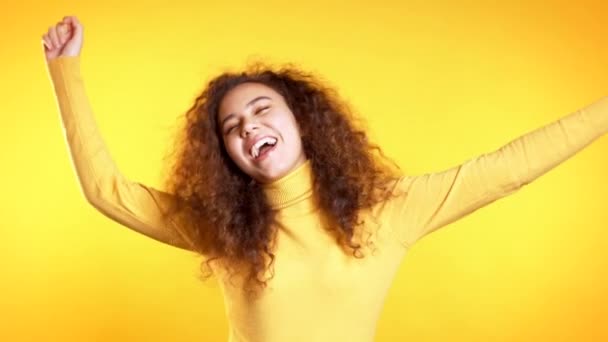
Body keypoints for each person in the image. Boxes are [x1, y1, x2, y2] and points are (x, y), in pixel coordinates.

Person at [43, 16, 608, 342]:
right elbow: (107, 192)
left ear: (300, 120)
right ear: (227, 155)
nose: (249, 127)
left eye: (263, 109)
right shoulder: (225, 232)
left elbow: (508, 168)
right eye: (232, 127)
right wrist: (64, 69)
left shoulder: (389, 211)